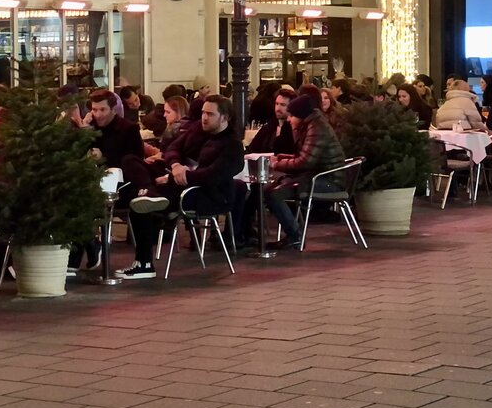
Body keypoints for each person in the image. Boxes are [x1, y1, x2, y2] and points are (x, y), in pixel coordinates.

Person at [118, 96, 243, 279]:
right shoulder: (199, 131)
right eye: (203, 113)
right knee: (130, 162)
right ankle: (147, 191)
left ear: (225, 117)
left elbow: (213, 175)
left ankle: (144, 263)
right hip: (179, 181)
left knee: (138, 201)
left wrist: (176, 177)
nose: (204, 118)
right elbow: (173, 148)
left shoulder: (232, 145)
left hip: (207, 194)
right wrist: (176, 166)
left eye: (210, 114)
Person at [265, 95, 346, 249]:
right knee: (272, 189)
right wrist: (282, 158)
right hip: (318, 176)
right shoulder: (311, 125)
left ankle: (295, 236)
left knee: (275, 193)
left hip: (329, 181)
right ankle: (294, 233)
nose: (289, 120)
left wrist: (277, 165)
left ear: (301, 116)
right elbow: (305, 156)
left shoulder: (317, 129)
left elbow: (306, 161)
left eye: (292, 116)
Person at [246, 88, 296, 155]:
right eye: (277, 104)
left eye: (283, 105)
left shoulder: (294, 129)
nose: (278, 108)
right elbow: (252, 147)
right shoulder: (269, 127)